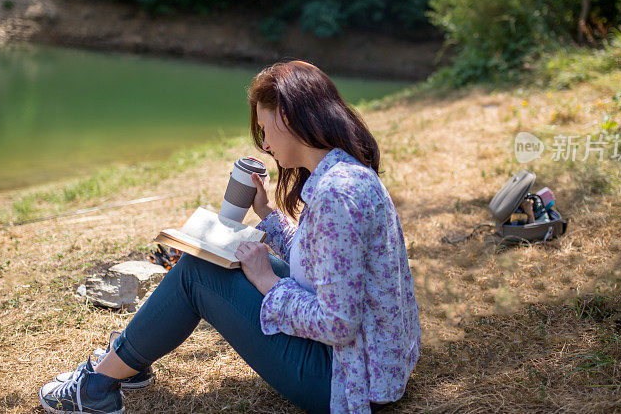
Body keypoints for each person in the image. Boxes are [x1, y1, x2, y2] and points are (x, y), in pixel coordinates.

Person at [38, 60, 421, 414]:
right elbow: (324, 261)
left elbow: (339, 323)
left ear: (286, 118)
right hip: (372, 365)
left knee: (196, 274)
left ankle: (97, 386)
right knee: (210, 262)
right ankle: (125, 364)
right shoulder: (346, 174)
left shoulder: (336, 194)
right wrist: (267, 215)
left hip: (344, 380)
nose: (266, 145)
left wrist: (267, 281)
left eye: (265, 130)